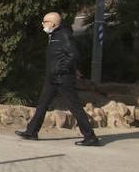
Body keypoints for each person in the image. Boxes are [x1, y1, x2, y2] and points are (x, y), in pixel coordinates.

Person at [16, 11, 101, 146]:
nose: (42, 24)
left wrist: (62, 69)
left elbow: (73, 54)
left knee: (75, 107)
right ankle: (31, 131)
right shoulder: (53, 35)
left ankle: (90, 137)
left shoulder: (64, 34)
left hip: (63, 79)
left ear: (53, 23)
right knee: (42, 105)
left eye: (45, 21)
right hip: (52, 79)